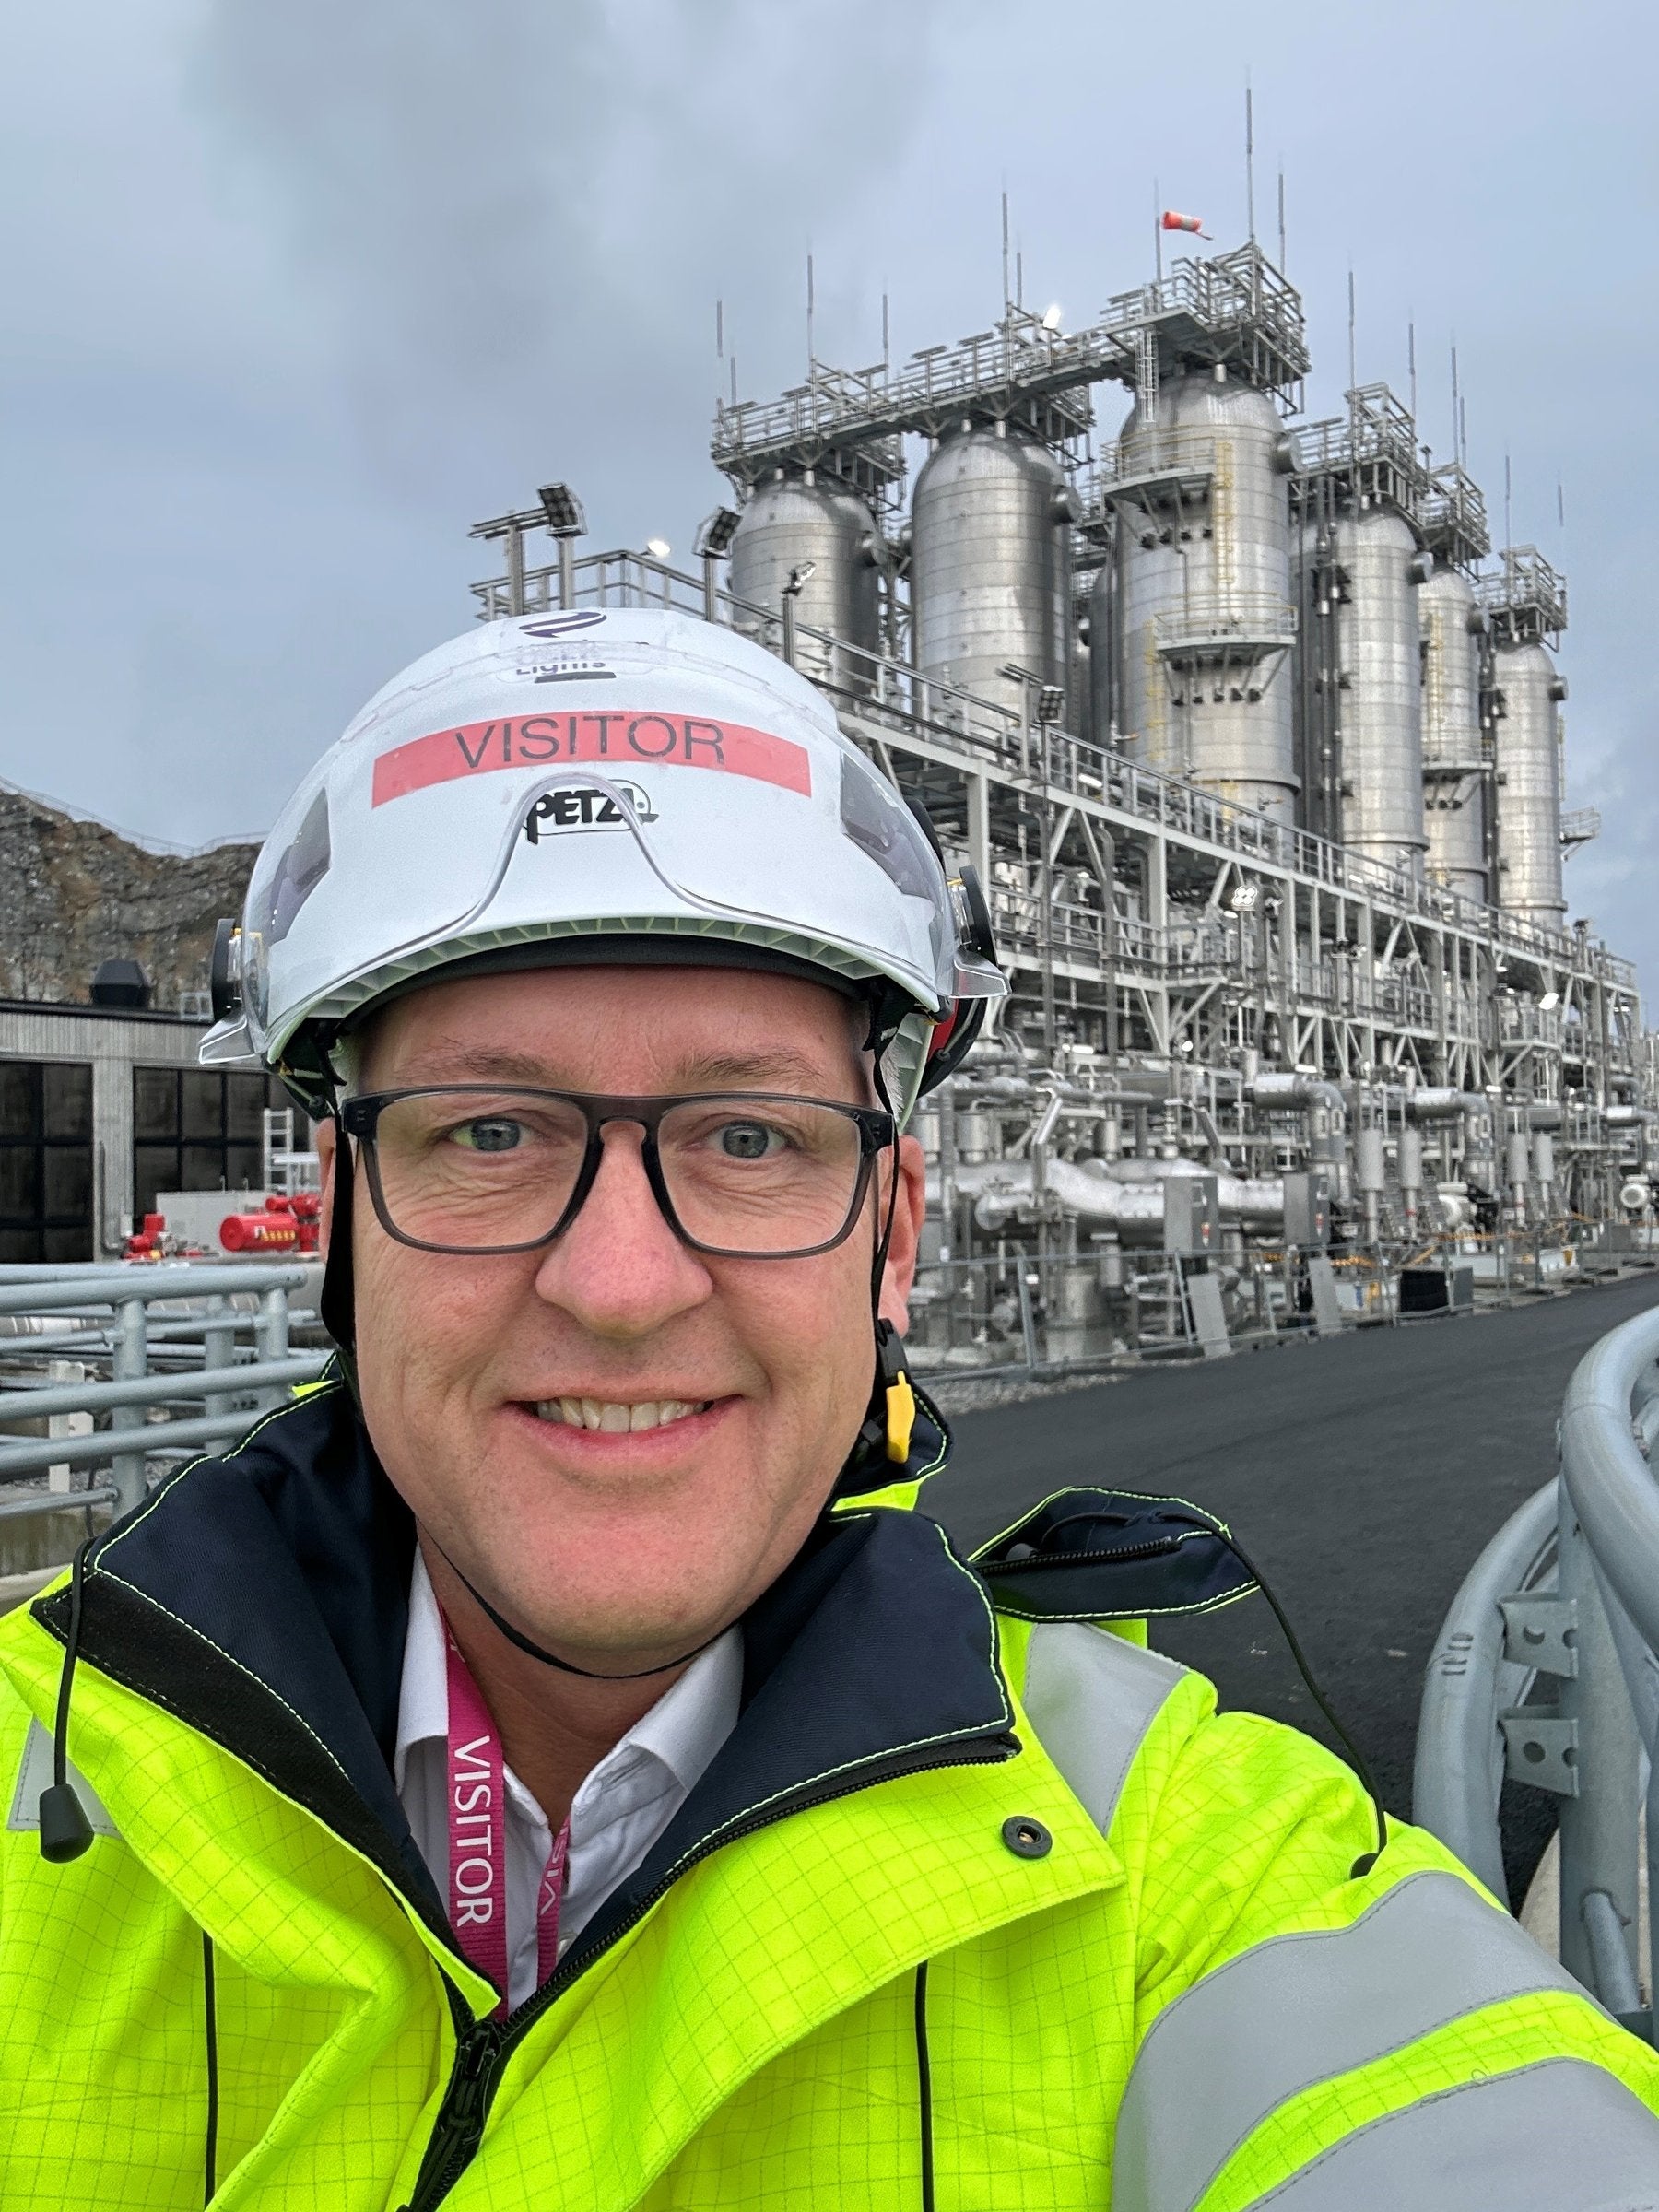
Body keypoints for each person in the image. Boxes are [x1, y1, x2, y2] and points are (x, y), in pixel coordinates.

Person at [4, 608, 1657, 2210]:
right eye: (489, 1132)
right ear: (341, 1217)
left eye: (750, 1139)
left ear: (893, 1236)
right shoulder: (37, 1780)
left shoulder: (1185, 1865)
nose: (621, 1284)